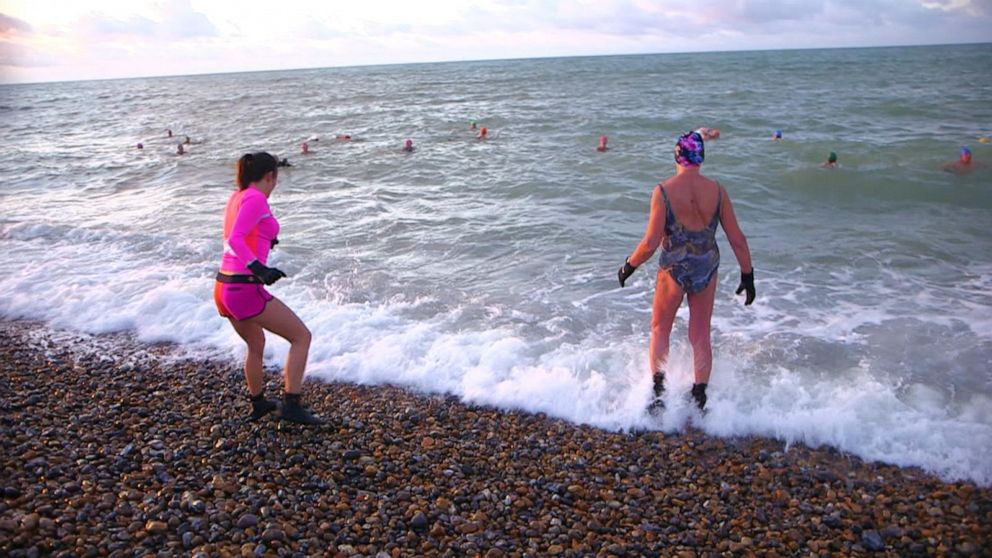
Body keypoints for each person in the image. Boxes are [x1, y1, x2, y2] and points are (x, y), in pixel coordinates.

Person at [617, 131, 754, 413]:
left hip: (673, 268)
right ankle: (699, 397)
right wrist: (747, 275)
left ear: (677, 155)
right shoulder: (718, 191)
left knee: (660, 328)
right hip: (706, 266)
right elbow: (737, 239)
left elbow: (650, 242)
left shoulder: (664, 191)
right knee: (700, 334)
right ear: (701, 157)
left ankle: (658, 393)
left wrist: (629, 266)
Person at [214, 152, 322, 425]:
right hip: (244, 287)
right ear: (270, 176)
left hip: (224, 286)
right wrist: (259, 268)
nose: (275, 185)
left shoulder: (236, 197)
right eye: (275, 179)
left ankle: (259, 403)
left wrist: (266, 242)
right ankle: (292, 405)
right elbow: (236, 239)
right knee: (301, 337)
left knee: (256, 343)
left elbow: (237, 236)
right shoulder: (256, 198)